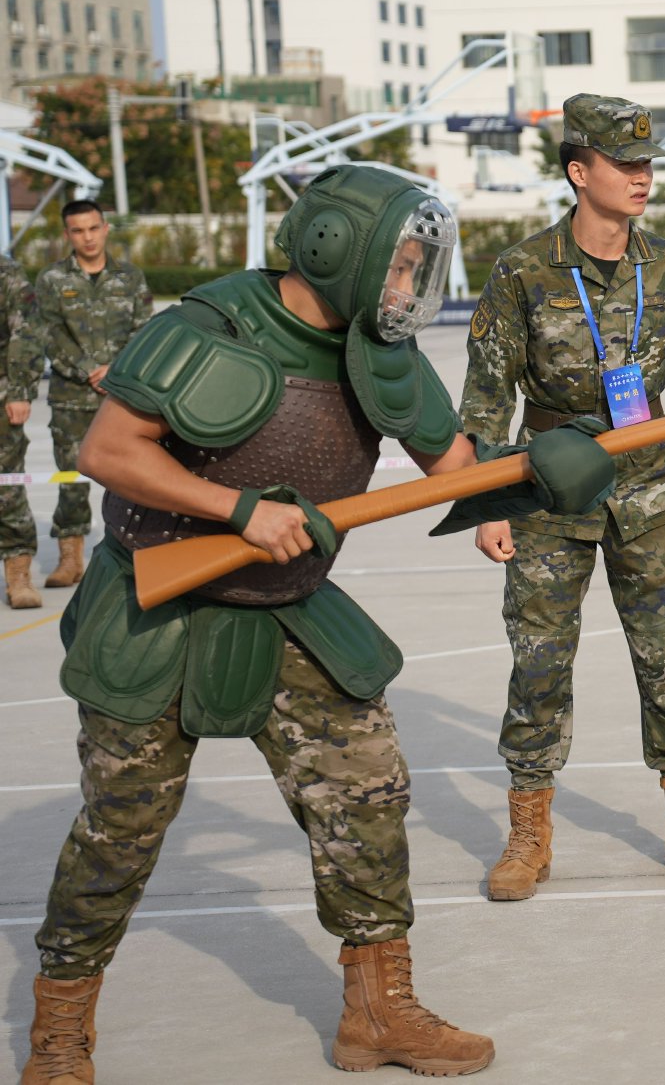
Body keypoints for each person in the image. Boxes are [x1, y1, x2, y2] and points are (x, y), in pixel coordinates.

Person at [21, 164, 615, 1081]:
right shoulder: (203, 330)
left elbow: (453, 462)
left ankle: (378, 1012)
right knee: (121, 831)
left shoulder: (379, 351)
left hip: (290, 604)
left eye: (420, 270)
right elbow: (108, 450)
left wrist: (538, 469)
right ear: (339, 250)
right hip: (160, 605)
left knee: (368, 794)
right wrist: (237, 510)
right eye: (402, 267)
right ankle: (61, 1033)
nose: (411, 288)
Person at [465, 94, 665, 902]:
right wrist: (486, 500)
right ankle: (528, 834)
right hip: (549, 487)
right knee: (540, 668)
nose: (641, 177)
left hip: (650, 489)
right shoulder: (523, 270)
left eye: (647, 163)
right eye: (624, 164)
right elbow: (485, 397)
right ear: (578, 171)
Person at [36, 199, 152, 590]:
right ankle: (71, 557)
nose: (87, 237)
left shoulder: (131, 278)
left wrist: (117, 370)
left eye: (92, 228)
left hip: (123, 397)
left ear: (105, 228)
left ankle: (133, 553)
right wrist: (89, 370)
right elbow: (50, 333)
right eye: (77, 230)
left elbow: (145, 331)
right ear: (67, 234)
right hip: (71, 397)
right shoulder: (52, 279)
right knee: (70, 477)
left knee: (132, 479)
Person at [0, 256, 43, 609]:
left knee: (6, 486)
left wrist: (18, 390)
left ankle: (18, 574)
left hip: (1, 393)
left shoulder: (7, 272)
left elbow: (25, 330)